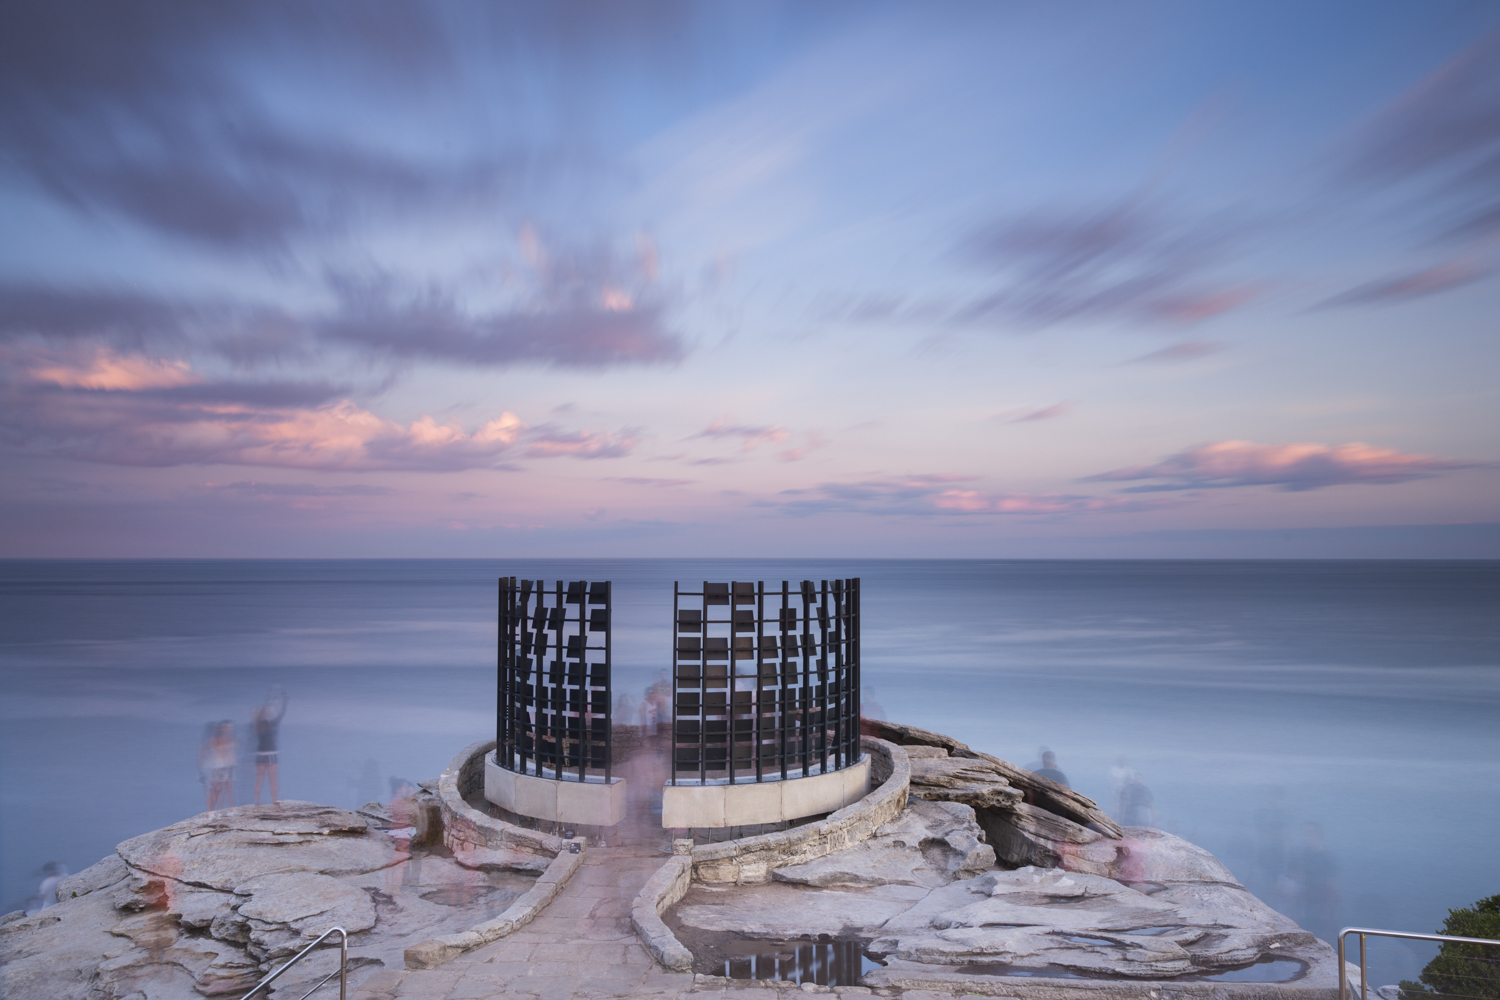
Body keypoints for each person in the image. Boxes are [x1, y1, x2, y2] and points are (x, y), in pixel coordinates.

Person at [252, 686, 288, 805]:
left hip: (266, 753)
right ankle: (259, 804)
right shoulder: (259, 724)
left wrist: (285, 700)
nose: (267, 713)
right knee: (262, 780)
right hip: (267, 753)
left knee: (269, 781)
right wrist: (270, 698)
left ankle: (270, 804)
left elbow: (281, 714)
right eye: (265, 712)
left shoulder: (266, 724)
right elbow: (280, 714)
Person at [206, 720, 238, 810]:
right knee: (217, 790)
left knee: (229, 790)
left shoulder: (231, 740)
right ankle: (211, 811)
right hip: (218, 767)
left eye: (230, 728)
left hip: (229, 767)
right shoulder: (215, 741)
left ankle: (231, 810)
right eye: (226, 728)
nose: (229, 730)